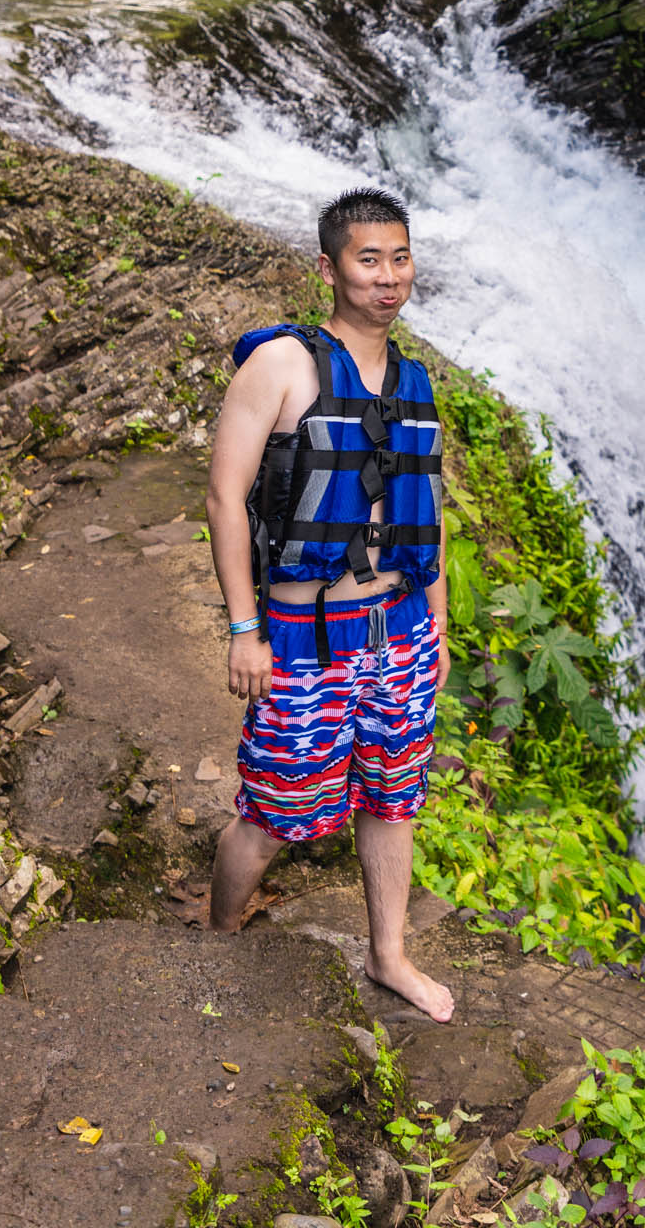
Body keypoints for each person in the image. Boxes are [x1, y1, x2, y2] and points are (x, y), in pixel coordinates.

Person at [204, 185, 454, 1023]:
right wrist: (246, 630)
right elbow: (223, 497)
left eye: (400, 257)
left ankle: (388, 956)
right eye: (368, 259)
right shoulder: (283, 366)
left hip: (403, 635)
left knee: (393, 799)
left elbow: (427, 515)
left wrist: (440, 625)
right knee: (275, 809)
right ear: (329, 266)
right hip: (307, 638)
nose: (388, 277)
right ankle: (214, 940)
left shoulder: (414, 381)